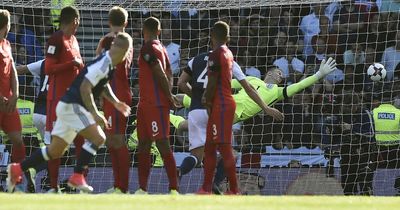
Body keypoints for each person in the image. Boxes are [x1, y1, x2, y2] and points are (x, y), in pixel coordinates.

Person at [7, 32, 133, 193]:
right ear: (123, 50)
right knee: (99, 137)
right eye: (128, 51)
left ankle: (17, 169)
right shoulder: (103, 63)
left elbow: (102, 84)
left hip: (67, 106)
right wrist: (95, 113)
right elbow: (85, 87)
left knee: (54, 150)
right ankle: (78, 175)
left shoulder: (109, 64)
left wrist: (115, 102)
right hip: (73, 105)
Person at [177, 51, 283, 183]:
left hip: (197, 109)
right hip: (218, 111)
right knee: (230, 154)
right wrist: (265, 107)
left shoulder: (196, 59)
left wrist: (195, 99)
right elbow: (248, 88)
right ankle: (214, 185)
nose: (281, 76)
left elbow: (181, 83)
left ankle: (180, 171)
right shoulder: (229, 61)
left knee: (197, 156)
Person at [135, 17, 179, 195]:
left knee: (162, 143)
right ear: (159, 31)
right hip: (145, 103)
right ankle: (142, 189)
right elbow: (170, 73)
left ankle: (174, 188)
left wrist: (168, 96)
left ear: (144, 29)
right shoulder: (163, 49)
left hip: (155, 104)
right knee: (144, 144)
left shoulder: (149, 47)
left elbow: (161, 73)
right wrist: (169, 91)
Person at [44, 6, 85, 193]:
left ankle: (78, 182)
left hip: (74, 100)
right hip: (57, 101)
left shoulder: (74, 40)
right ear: (74, 20)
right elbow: (48, 68)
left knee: (81, 141)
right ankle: (53, 186)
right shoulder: (56, 38)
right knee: (56, 144)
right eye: (78, 22)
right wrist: (71, 64)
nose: (78, 25)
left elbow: (78, 64)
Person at [196, 21, 240, 194]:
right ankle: (206, 188)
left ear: (211, 37)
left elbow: (212, 82)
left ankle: (234, 190)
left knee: (224, 147)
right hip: (224, 103)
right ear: (228, 37)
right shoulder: (228, 53)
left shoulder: (215, 54)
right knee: (210, 147)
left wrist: (206, 98)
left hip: (220, 104)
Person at [95, 6, 133, 194]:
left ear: (109, 21)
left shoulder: (109, 40)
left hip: (115, 93)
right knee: (112, 140)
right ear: (126, 22)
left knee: (117, 139)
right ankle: (118, 184)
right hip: (119, 91)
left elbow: (97, 65)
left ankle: (122, 186)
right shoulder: (127, 40)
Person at [0, 9, 26, 190]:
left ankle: (14, 183)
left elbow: (13, 71)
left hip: (8, 103)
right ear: (6, 25)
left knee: (18, 141)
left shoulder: (7, 44)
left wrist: (15, 94)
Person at [340, 92, 378, 195]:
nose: (348, 108)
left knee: (365, 185)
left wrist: (351, 128)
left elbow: (370, 133)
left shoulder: (365, 113)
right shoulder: (344, 114)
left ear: (357, 104)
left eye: (350, 106)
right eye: (346, 106)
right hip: (349, 155)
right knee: (347, 186)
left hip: (365, 154)